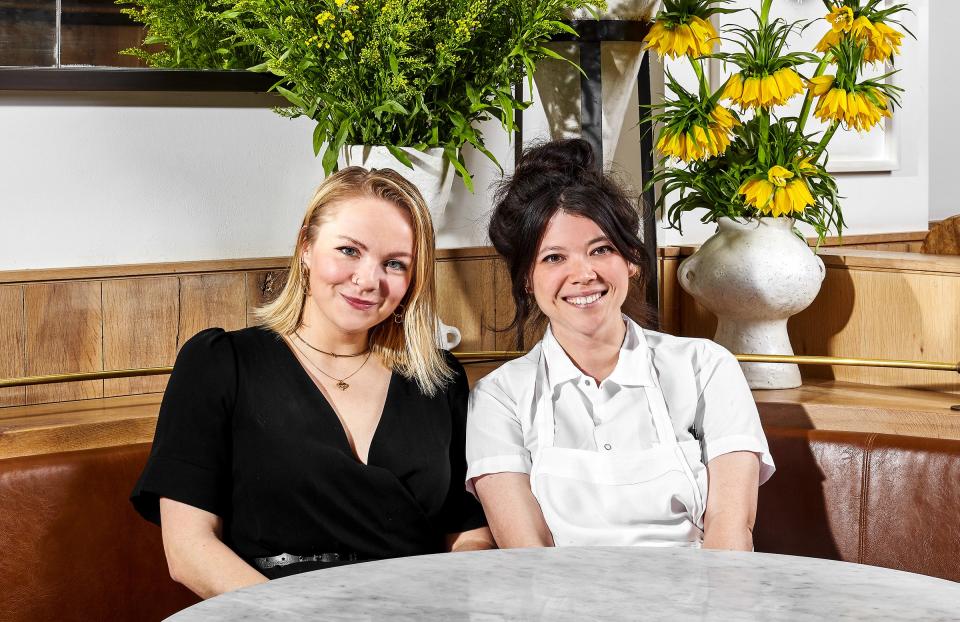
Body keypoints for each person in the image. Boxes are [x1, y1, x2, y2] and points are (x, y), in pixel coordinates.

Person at [131, 167, 493, 599]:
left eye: (394, 264)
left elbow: (468, 532)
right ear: (306, 246)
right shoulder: (220, 364)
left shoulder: (439, 377)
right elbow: (189, 550)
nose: (368, 280)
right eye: (348, 251)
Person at [466, 139, 775, 550]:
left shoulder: (707, 367)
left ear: (631, 259)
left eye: (601, 250)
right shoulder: (500, 396)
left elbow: (730, 531)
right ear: (526, 279)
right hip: (558, 607)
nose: (583, 274)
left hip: (696, 601)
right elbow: (526, 551)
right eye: (554, 258)